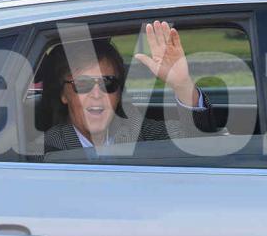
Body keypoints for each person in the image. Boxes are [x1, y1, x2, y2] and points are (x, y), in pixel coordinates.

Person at [39, 20, 217, 152]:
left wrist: (182, 85)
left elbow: (203, 142)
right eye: (82, 84)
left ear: (118, 93)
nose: (96, 93)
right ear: (64, 94)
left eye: (108, 83)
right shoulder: (47, 149)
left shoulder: (137, 129)